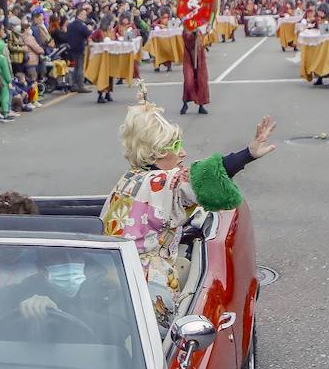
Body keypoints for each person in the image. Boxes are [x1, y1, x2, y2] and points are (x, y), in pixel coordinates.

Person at [100, 94, 276, 325]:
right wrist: (247, 154)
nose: (183, 152)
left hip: (110, 273)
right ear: (156, 153)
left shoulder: (129, 179)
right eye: (175, 146)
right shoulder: (161, 182)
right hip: (144, 281)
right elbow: (202, 176)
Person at [180, 20, 209, 115]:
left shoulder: (199, 30)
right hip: (189, 59)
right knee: (189, 81)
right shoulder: (185, 31)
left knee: (201, 81)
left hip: (199, 59)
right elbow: (188, 41)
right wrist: (193, 34)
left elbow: (203, 41)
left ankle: (201, 105)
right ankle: (185, 103)